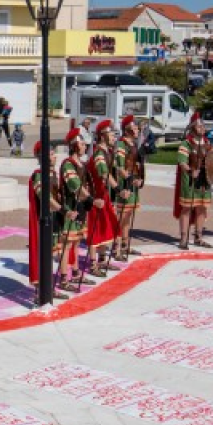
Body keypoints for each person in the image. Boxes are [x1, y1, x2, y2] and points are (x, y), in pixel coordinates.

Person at [27, 141, 68, 303]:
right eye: (50, 154)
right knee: (43, 255)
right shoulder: (39, 174)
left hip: (54, 219)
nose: (54, 156)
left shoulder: (53, 174)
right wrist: (61, 209)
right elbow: (44, 196)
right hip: (42, 220)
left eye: (53, 153)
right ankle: (40, 291)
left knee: (52, 254)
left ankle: (50, 287)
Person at [57, 128, 94, 292]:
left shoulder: (81, 163)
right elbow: (75, 185)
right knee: (67, 244)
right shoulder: (67, 164)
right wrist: (89, 198)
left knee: (77, 241)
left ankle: (77, 272)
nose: (85, 146)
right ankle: (64, 278)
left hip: (81, 208)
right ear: (75, 145)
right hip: (69, 208)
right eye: (82, 143)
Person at [85, 120, 122, 275]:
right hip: (95, 197)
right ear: (102, 136)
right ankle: (93, 264)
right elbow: (104, 175)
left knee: (106, 226)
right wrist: (118, 189)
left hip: (103, 195)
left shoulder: (107, 152)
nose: (114, 135)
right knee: (95, 229)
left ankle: (101, 260)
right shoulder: (99, 154)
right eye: (111, 133)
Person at [174, 118, 213, 250]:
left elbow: (212, 161)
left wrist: (211, 172)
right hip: (190, 181)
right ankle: (184, 238)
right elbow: (182, 162)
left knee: (202, 208)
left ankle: (198, 237)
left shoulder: (208, 144)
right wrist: (190, 171)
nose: (202, 128)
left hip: (205, 182)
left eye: (203, 125)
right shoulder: (186, 144)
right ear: (192, 128)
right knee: (187, 209)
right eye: (199, 126)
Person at [112, 115, 145, 261]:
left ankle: (125, 244)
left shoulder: (133, 144)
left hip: (132, 184)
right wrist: (130, 179)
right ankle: (116, 247)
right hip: (123, 185)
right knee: (121, 217)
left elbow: (137, 165)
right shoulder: (121, 145)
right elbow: (119, 167)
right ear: (127, 130)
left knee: (128, 215)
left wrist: (139, 179)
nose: (137, 129)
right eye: (134, 127)